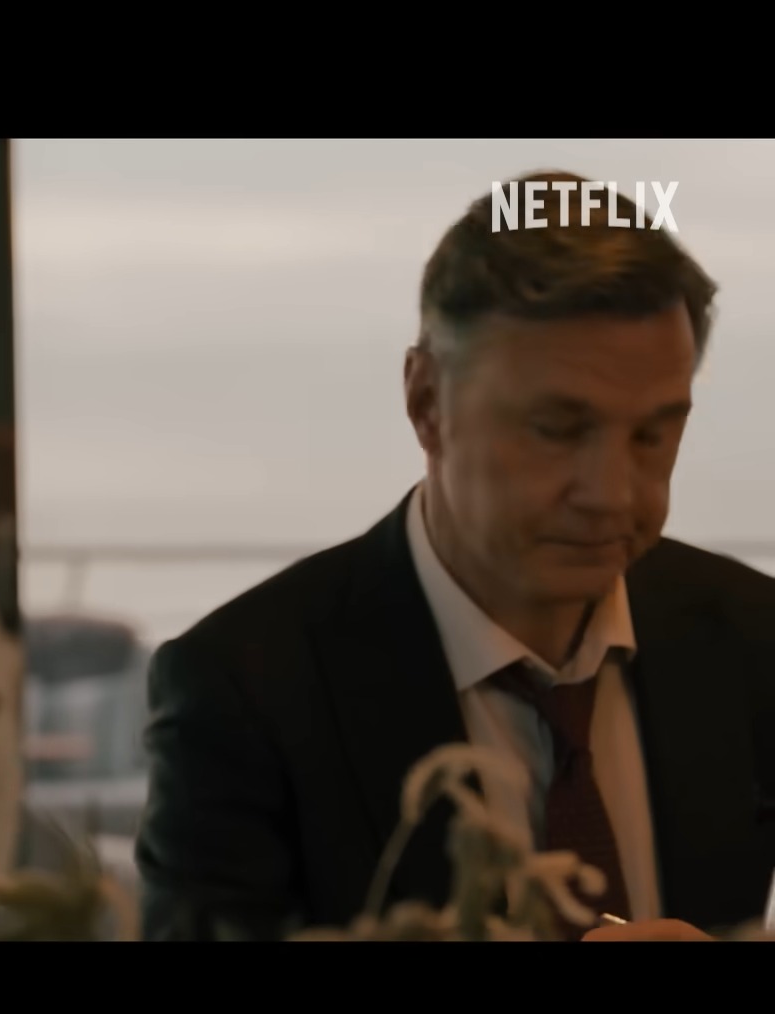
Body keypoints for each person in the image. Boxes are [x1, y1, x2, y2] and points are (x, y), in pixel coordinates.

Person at [136, 169, 775, 942]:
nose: (612, 494)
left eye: (652, 435)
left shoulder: (755, 639)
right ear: (426, 402)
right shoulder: (243, 692)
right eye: (558, 429)